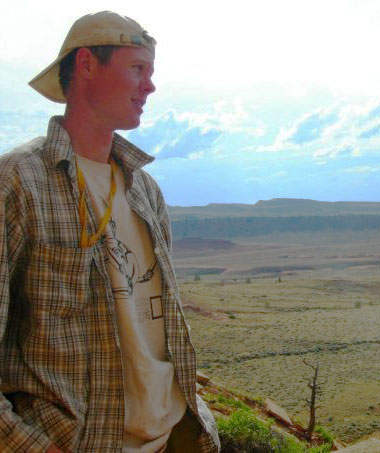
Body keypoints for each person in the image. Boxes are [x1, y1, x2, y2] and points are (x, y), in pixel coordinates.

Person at [0, 11, 219, 453]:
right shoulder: (18, 181)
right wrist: (27, 445)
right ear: (86, 64)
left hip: (174, 437)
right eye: (138, 68)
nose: (150, 86)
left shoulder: (145, 189)